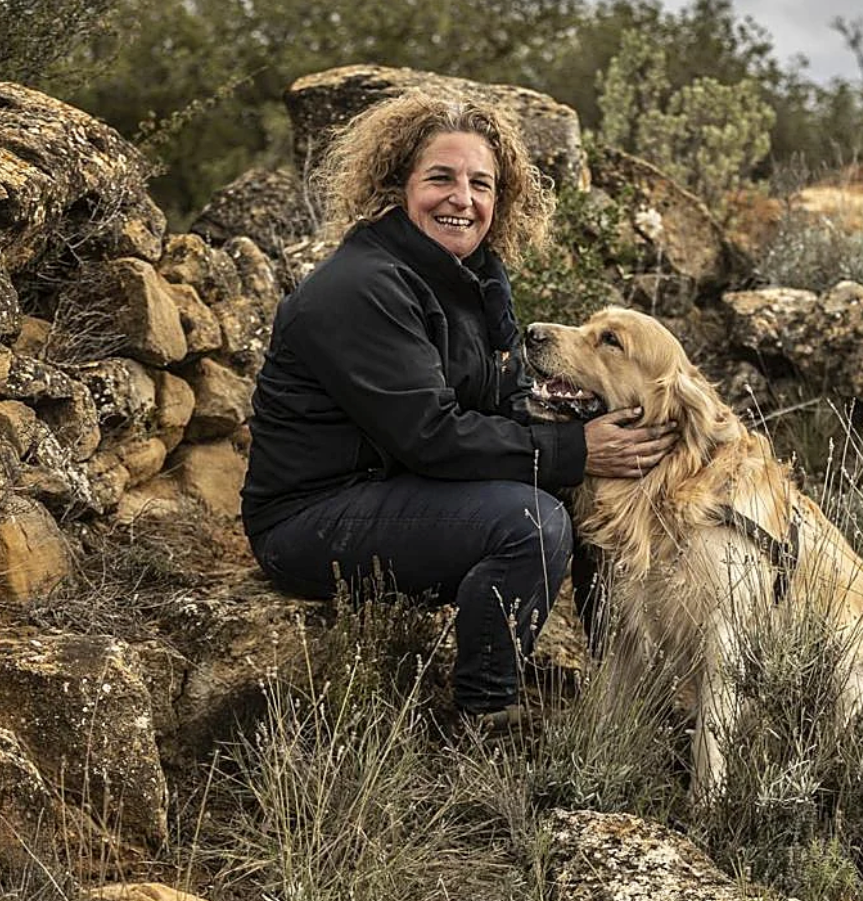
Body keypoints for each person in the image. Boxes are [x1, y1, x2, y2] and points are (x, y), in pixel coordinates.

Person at [240, 90, 676, 729]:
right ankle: (483, 715)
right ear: (397, 186)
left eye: (482, 184)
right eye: (440, 178)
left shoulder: (466, 278)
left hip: (396, 491)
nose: (463, 199)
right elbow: (431, 437)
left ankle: (630, 701)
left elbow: (496, 404)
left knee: (584, 504)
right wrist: (577, 449)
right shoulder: (363, 288)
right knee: (530, 521)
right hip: (310, 521)